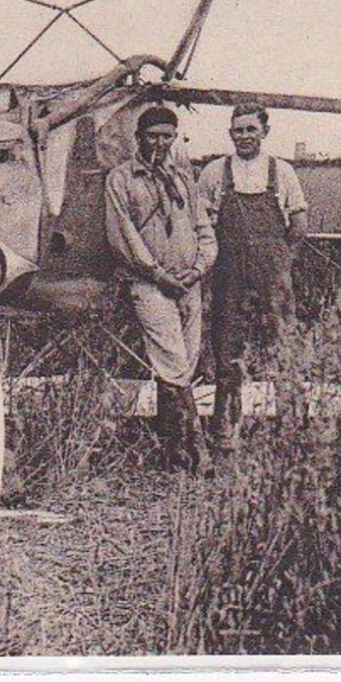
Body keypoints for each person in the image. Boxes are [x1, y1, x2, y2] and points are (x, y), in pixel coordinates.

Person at [105, 105, 217, 472]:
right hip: (151, 285)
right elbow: (125, 236)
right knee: (173, 365)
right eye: (153, 135)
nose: (160, 142)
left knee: (186, 362)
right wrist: (158, 274)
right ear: (139, 138)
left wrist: (198, 269)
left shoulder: (184, 177)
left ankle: (173, 451)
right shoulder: (121, 179)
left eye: (167, 136)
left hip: (189, 283)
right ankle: (199, 452)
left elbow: (203, 229)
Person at [197, 102, 307, 449]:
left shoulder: (282, 172)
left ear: (264, 132)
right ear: (231, 133)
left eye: (250, 129)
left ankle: (292, 426)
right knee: (227, 350)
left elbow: (298, 224)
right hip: (229, 273)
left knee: (282, 344)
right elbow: (202, 225)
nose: (243, 136)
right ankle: (226, 428)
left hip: (272, 274)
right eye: (238, 130)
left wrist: (278, 259)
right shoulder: (215, 172)